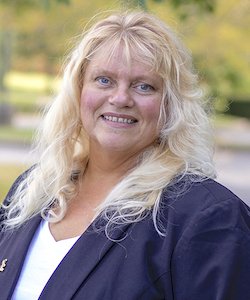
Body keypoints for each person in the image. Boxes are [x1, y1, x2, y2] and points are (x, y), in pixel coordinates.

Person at [0, 10, 250, 300]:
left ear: (171, 104)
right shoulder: (31, 192)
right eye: (104, 80)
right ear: (78, 90)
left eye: (144, 86)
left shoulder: (208, 218)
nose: (120, 99)